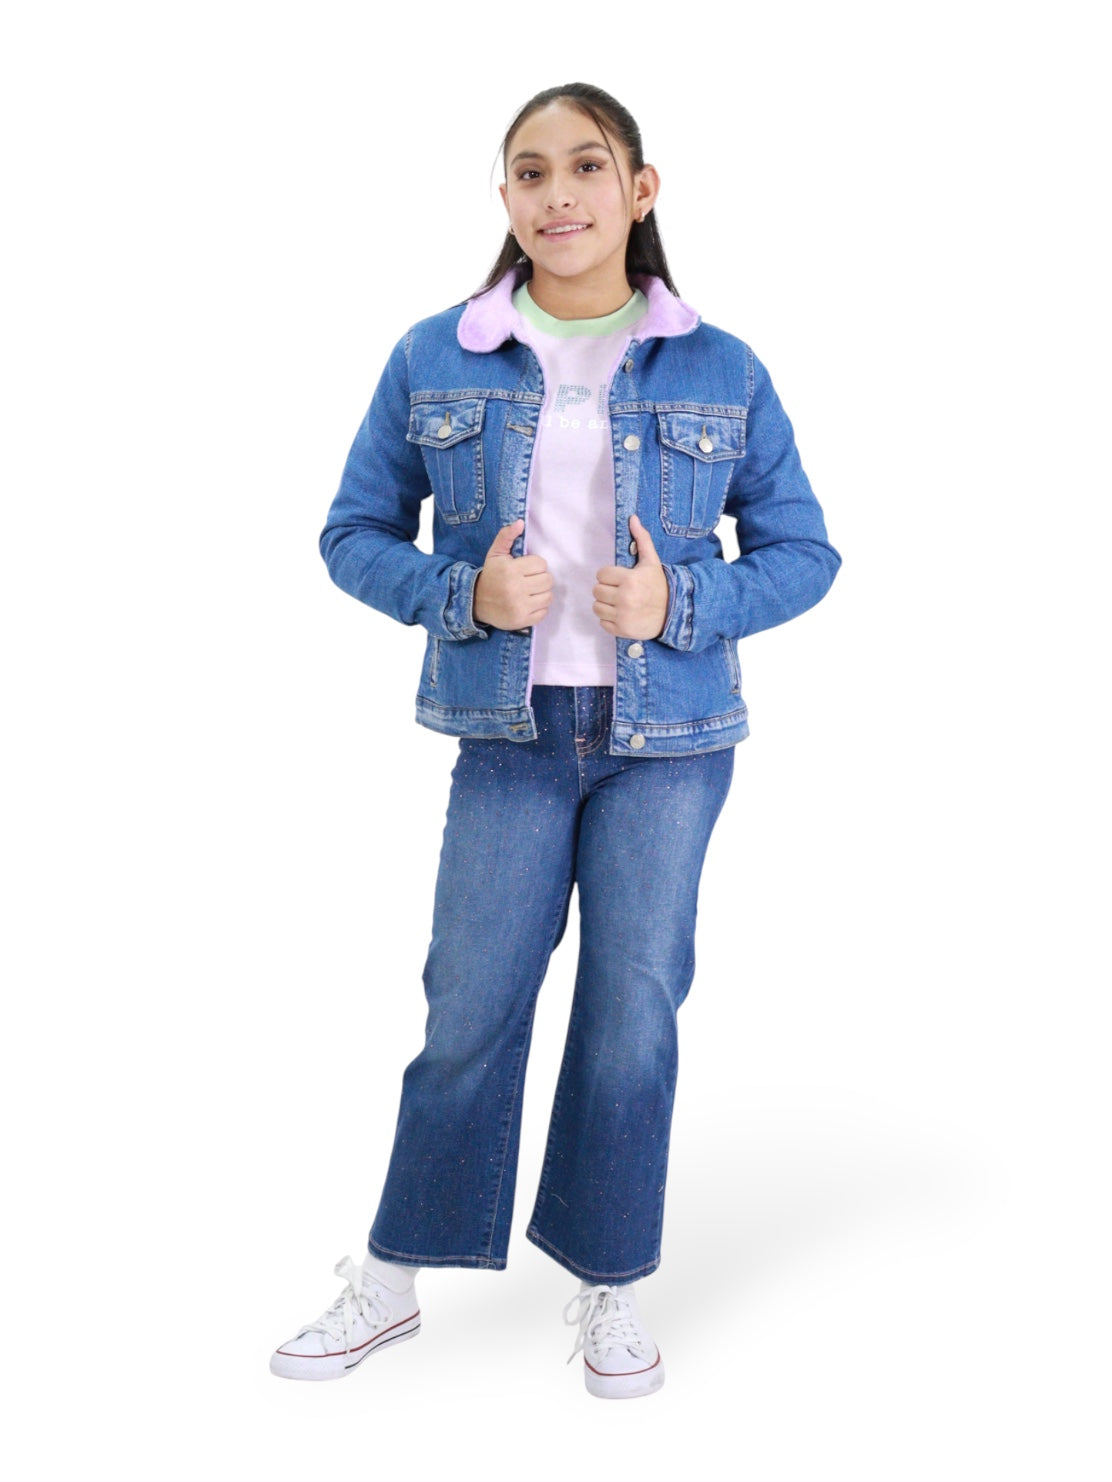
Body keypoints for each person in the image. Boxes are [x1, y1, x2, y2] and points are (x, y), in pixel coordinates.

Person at [270, 82, 840, 1400]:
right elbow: (351, 532)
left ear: (641, 190)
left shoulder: (721, 367)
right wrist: (462, 593)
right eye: (530, 173)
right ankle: (393, 1275)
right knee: (467, 1001)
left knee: (632, 1011)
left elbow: (806, 551)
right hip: (510, 732)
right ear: (507, 199)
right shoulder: (438, 354)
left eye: (587, 166)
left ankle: (612, 1281)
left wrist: (679, 602)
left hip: (669, 740)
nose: (558, 194)